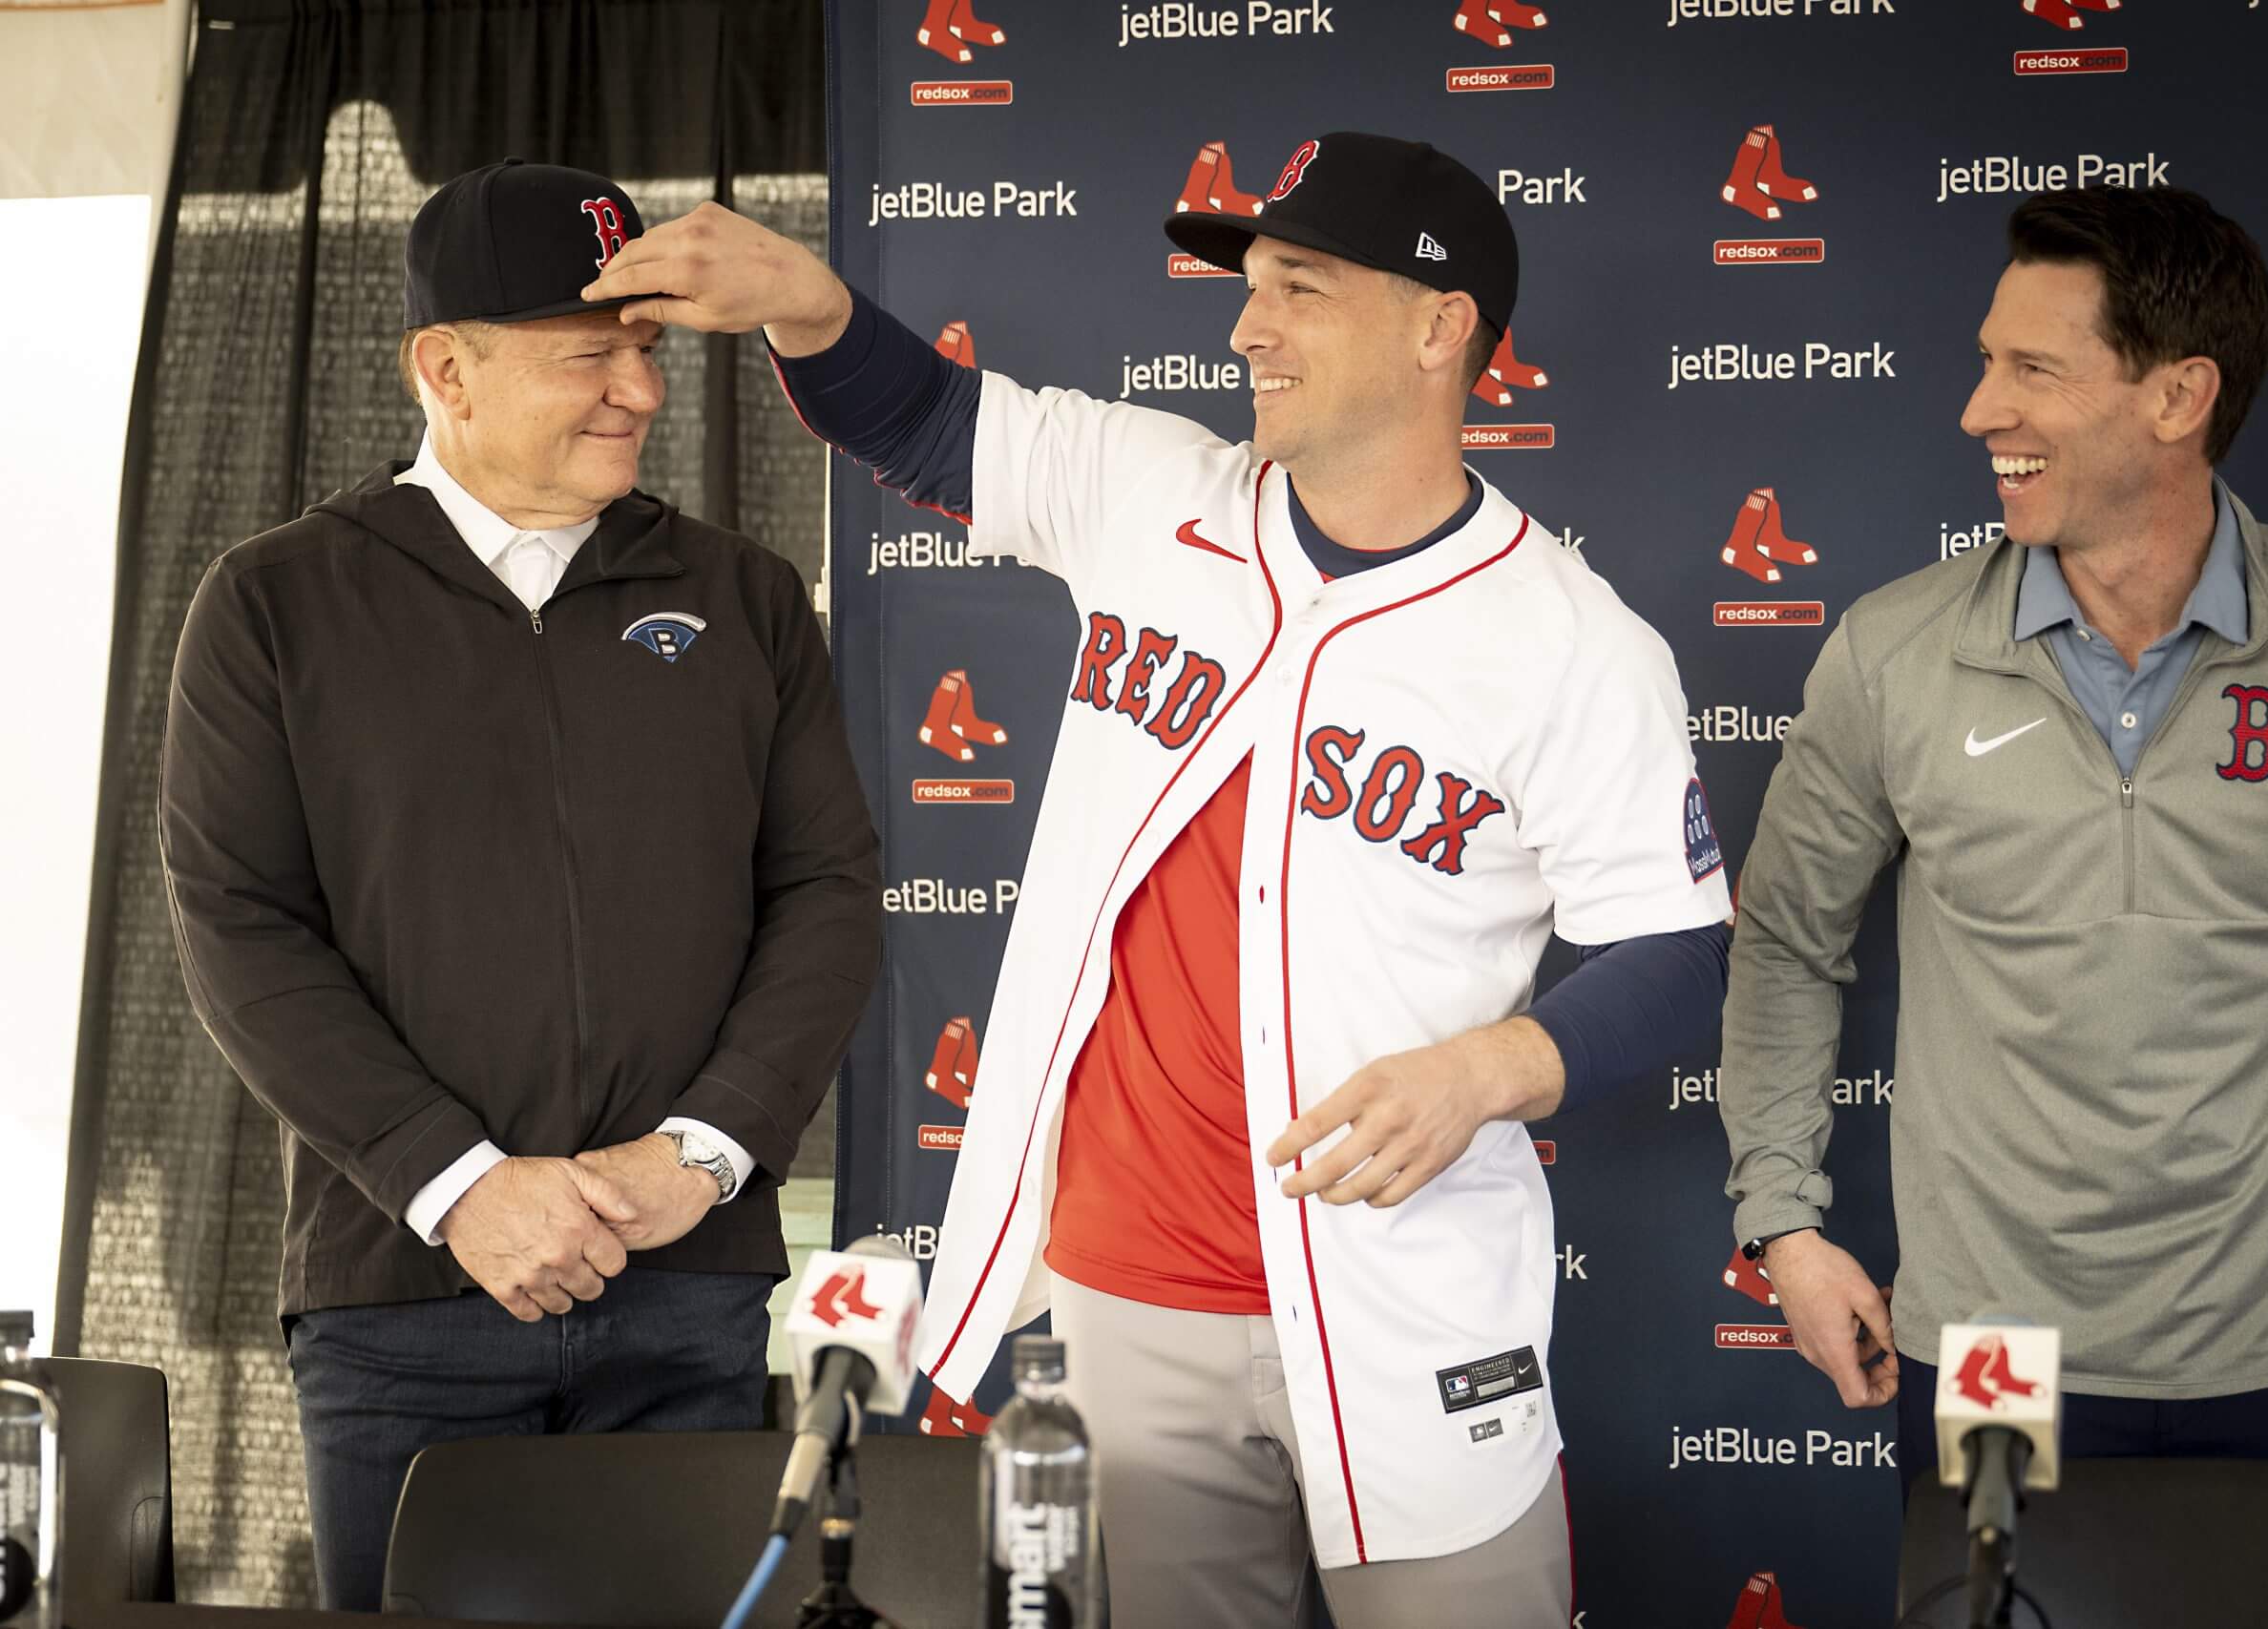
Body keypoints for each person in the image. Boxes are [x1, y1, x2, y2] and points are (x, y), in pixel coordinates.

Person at [584, 133, 1731, 1626]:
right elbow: (923, 419)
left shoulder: (1573, 644)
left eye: (1301, 287)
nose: (1250, 327)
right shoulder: (1152, 492)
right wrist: (809, 305)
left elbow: (1676, 949)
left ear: (1440, 328)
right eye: (1251, 286)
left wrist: (1486, 1070)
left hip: (1409, 1304)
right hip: (1127, 1300)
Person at [158, 158, 883, 1610]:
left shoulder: (743, 596)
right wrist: (458, 1185)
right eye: (586, 355)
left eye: (648, 348)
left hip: (685, 1289)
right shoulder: (277, 601)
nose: (639, 389)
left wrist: (701, 1157)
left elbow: (826, 891)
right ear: (447, 370)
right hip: (407, 1297)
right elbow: (241, 927)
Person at [1718, 185, 2268, 1496]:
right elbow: (1781, 943)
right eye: (1987, 361)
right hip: (1994, 1350)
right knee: (1996, 1596)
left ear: (2178, 397)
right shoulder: (1893, 651)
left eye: (2033, 370)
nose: (1978, 410)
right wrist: (1780, 1221)